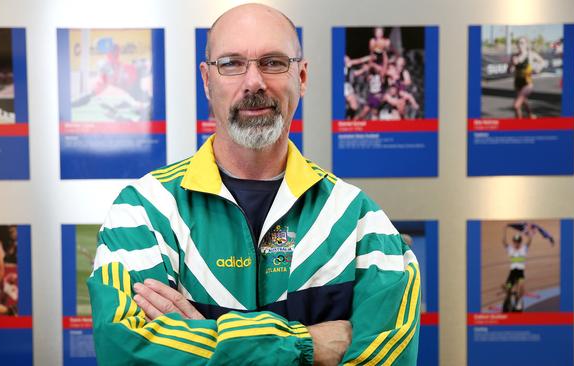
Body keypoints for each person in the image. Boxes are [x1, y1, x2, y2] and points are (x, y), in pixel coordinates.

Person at [88, 4, 420, 365]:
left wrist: (202, 343)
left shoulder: (362, 224)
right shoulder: (143, 212)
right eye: (231, 63)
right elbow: (124, 351)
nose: (254, 82)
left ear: (302, 77)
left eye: (273, 62)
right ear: (206, 79)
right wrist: (307, 343)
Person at [509, 37, 547, 119]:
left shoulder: (531, 54)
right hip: (517, 83)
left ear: (526, 44)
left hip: (527, 84)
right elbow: (509, 70)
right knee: (524, 101)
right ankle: (530, 115)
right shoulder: (514, 56)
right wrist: (512, 64)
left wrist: (539, 68)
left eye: (522, 43)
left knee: (516, 105)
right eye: (518, 43)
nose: (520, 45)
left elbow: (542, 62)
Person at [501, 224, 536, 312]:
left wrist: (529, 232)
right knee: (508, 287)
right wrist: (504, 230)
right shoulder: (510, 249)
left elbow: (529, 240)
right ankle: (508, 296)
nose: (516, 243)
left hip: (520, 273)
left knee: (521, 288)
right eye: (515, 242)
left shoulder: (524, 248)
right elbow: (504, 241)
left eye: (518, 242)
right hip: (512, 273)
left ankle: (518, 301)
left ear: (520, 242)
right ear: (513, 242)